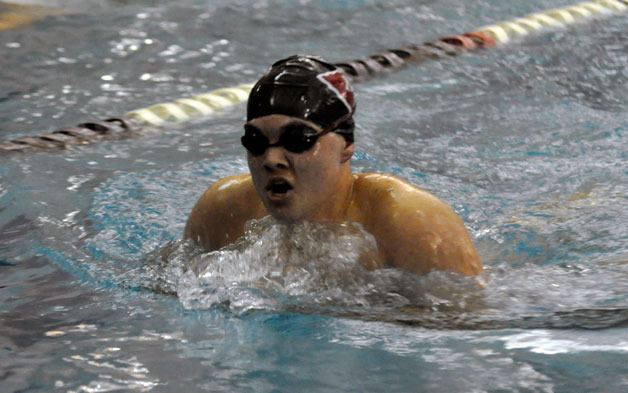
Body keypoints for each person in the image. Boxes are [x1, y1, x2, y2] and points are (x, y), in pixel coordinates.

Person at [184, 55, 482, 276]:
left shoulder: (409, 221)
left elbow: (467, 322)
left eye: (298, 139)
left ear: (346, 145)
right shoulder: (223, 210)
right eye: (256, 141)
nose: (271, 160)